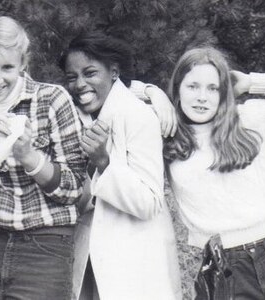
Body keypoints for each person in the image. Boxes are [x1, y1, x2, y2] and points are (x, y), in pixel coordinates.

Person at [152, 46, 265, 299]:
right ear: (178, 89)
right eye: (192, 86)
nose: (202, 97)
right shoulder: (166, 134)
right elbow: (112, 93)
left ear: (224, 91)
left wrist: (251, 82)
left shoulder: (250, 120)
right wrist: (153, 93)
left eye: (213, 88)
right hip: (223, 261)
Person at [0, 16, 86, 300]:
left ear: (23, 64)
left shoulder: (52, 99)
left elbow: (74, 189)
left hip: (47, 241)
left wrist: (30, 158)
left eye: (7, 67)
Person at [58, 31, 182, 300]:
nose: (79, 84)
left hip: (133, 256)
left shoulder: (138, 116)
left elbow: (149, 202)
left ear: (113, 72)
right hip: (90, 249)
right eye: (72, 77)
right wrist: (149, 88)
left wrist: (104, 162)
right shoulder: (72, 113)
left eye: (89, 73)